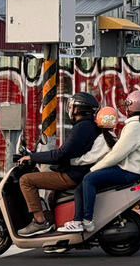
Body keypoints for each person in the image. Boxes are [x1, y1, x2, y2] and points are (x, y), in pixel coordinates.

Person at [60, 89, 140, 234]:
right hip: (136, 171)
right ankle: (81, 219)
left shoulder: (134, 127)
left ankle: (85, 221)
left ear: (131, 107)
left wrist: (94, 169)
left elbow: (116, 155)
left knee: (88, 179)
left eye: (127, 105)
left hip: (128, 172)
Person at [16, 92, 104, 237]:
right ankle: (57, 234)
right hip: (80, 172)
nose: (70, 109)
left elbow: (61, 154)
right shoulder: (90, 126)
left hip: (72, 175)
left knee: (26, 180)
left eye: (72, 106)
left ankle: (39, 222)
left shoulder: (81, 128)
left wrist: (32, 157)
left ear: (77, 109)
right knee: (52, 196)